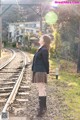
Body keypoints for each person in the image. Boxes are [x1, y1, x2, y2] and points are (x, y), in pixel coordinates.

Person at [32, 34, 51, 117]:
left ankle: (41, 109)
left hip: (40, 71)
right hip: (38, 71)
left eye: (41, 38)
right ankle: (43, 107)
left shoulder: (44, 50)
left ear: (44, 40)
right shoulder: (41, 49)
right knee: (41, 89)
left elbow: (46, 62)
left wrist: (46, 72)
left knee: (41, 89)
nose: (39, 39)